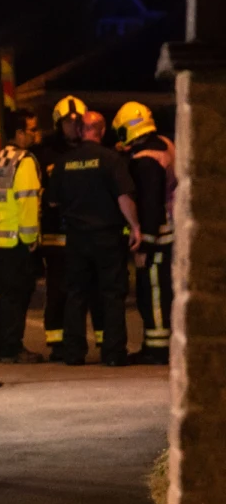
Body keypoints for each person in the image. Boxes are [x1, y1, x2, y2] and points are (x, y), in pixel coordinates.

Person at [47, 111, 141, 366]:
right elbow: (124, 198)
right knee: (112, 294)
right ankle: (113, 354)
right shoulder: (111, 160)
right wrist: (135, 227)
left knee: (76, 294)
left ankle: (74, 353)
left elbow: (53, 200)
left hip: (76, 239)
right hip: (107, 238)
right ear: (101, 130)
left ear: (81, 131)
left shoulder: (65, 162)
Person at [31, 96, 104, 361]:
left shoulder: (93, 151)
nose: (74, 127)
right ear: (57, 124)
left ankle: (103, 339)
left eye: (78, 122)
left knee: (93, 287)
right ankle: (58, 341)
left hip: (83, 232)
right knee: (59, 288)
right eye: (68, 122)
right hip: (55, 233)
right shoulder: (44, 154)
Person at [113, 102, 175, 364]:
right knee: (161, 290)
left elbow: (149, 205)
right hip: (170, 229)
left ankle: (158, 349)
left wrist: (144, 245)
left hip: (156, 236)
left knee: (154, 292)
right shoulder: (164, 144)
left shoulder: (144, 161)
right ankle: (157, 345)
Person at [0, 109, 43, 363]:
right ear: (19, 133)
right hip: (18, 241)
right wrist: (31, 240)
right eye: (31, 129)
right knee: (16, 297)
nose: (35, 134)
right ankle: (12, 347)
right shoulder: (25, 161)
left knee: (0, 296)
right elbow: (27, 202)